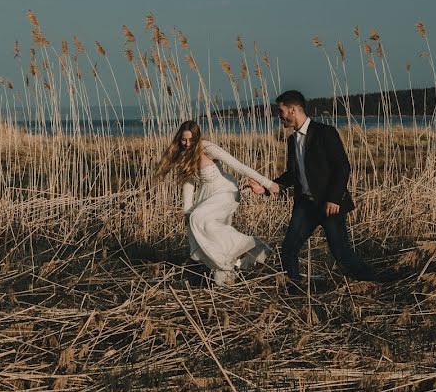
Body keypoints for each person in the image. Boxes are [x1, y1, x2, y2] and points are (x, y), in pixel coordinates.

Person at [247, 90, 376, 286]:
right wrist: (265, 188)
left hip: (328, 205)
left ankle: (374, 282)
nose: (278, 116)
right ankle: (295, 292)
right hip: (305, 206)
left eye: (280, 111)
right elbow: (292, 174)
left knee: (341, 254)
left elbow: (342, 167)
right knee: (289, 250)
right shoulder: (292, 140)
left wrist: (334, 198)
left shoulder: (325, 132)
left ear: (292, 110)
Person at [156, 120, 280, 286]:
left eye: (191, 140)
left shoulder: (208, 149)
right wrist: (186, 210)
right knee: (200, 227)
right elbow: (188, 183)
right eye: (184, 140)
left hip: (225, 191)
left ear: (197, 138)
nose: (187, 144)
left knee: (198, 219)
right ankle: (225, 271)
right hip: (206, 195)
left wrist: (267, 183)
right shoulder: (183, 154)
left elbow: (239, 166)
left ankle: (252, 244)